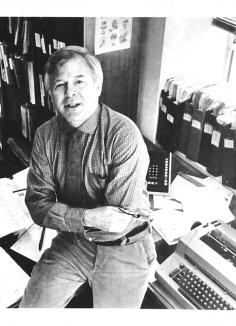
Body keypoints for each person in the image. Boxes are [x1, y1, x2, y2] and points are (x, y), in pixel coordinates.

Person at [20, 46, 156, 308]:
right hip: (74, 241)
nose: (70, 93)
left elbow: (116, 220)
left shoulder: (124, 135)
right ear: (51, 95)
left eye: (79, 81)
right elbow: (38, 206)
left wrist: (63, 215)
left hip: (123, 246)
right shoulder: (44, 136)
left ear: (97, 86)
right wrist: (88, 218)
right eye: (60, 85)